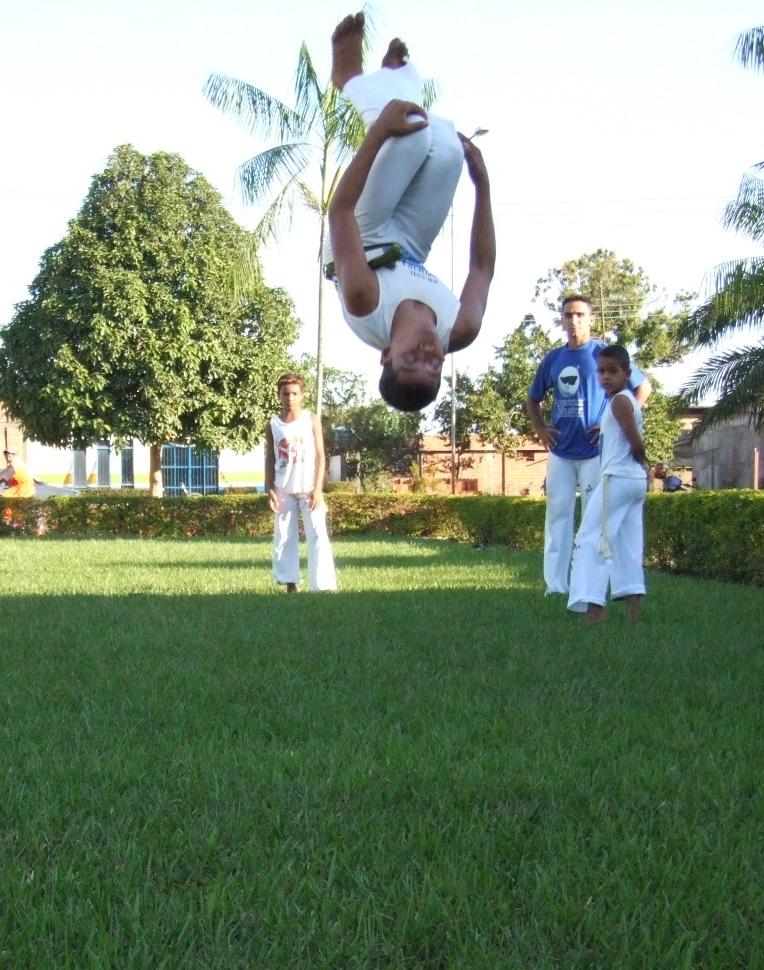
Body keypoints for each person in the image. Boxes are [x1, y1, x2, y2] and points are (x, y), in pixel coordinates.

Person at [326, 13, 495, 413]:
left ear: (386, 353)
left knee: (410, 134)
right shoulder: (461, 328)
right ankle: (394, 78)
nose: (427, 353)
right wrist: (483, 186)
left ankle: (349, 78)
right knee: (449, 150)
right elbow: (482, 267)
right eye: (434, 366)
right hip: (411, 248)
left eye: (410, 360)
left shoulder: (365, 300)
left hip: (361, 235)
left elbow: (340, 212)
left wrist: (378, 132)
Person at [528, 294, 652, 596]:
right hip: (560, 451)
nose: (574, 320)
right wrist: (541, 428)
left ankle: (594, 586)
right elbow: (533, 398)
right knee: (557, 518)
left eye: (580, 315)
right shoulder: (553, 359)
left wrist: (619, 418)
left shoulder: (603, 355)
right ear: (561, 320)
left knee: (595, 522)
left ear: (591, 319)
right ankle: (556, 586)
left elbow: (643, 387)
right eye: (568, 315)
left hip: (596, 453)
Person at [568, 345, 648, 623]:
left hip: (617, 479)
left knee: (592, 539)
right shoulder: (626, 401)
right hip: (633, 481)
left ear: (627, 373)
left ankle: (595, 608)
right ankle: (634, 613)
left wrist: (642, 461)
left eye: (613, 371)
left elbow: (636, 442)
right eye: (601, 371)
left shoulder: (619, 402)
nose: (605, 377)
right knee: (627, 544)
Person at [266, 373, 337, 593]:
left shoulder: (311, 419)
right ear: (279, 395)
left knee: (317, 533)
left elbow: (320, 455)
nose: (290, 398)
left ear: (302, 395)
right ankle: (289, 583)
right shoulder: (273, 424)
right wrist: (270, 489)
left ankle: (323, 585)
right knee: (284, 536)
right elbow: (270, 458)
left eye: (295, 394)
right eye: (286, 393)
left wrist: (318, 489)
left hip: (309, 488)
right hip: (283, 488)